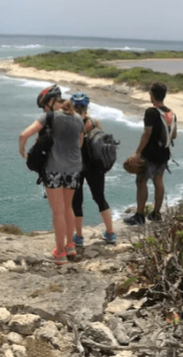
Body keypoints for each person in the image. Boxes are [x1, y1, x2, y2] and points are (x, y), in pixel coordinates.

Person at [19, 85, 84, 265]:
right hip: (74, 169)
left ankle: (60, 253)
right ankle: (70, 246)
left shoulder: (49, 117)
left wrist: (22, 150)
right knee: (68, 207)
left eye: (44, 105)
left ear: (50, 102)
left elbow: (23, 135)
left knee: (58, 212)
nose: (43, 109)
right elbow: (79, 144)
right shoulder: (78, 118)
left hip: (54, 169)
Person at [123, 82, 177, 226]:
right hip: (164, 153)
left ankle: (140, 215)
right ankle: (156, 213)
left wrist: (137, 153)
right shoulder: (171, 113)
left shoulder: (151, 112)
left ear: (151, 95)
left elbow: (147, 133)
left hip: (150, 153)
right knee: (158, 181)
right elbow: (175, 135)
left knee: (141, 181)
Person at [70, 92, 116, 245]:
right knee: (100, 198)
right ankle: (110, 233)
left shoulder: (71, 123)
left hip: (77, 167)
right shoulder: (95, 122)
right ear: (87, 107)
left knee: (77, 202)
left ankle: (79, 237)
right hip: (96, 167)